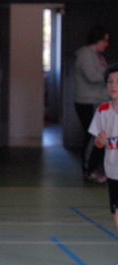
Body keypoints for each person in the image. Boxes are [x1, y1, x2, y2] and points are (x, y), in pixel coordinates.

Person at [88, 63, 118, 265]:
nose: (114, 85)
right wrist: (100, 141)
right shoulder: (103, 111)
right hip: (113, 174)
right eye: (110, 81)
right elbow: (99, 143)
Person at [75, 26, 111, 183]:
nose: (106, 44)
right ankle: (88, 171)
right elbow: (92, 76)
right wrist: (109, 74)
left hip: (99, 101)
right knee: (93, 136)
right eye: (104, 40)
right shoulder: (85, 55)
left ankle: (93, 169)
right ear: (97, 39)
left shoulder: (99, 57)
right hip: (88, 102)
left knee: (100, 136)